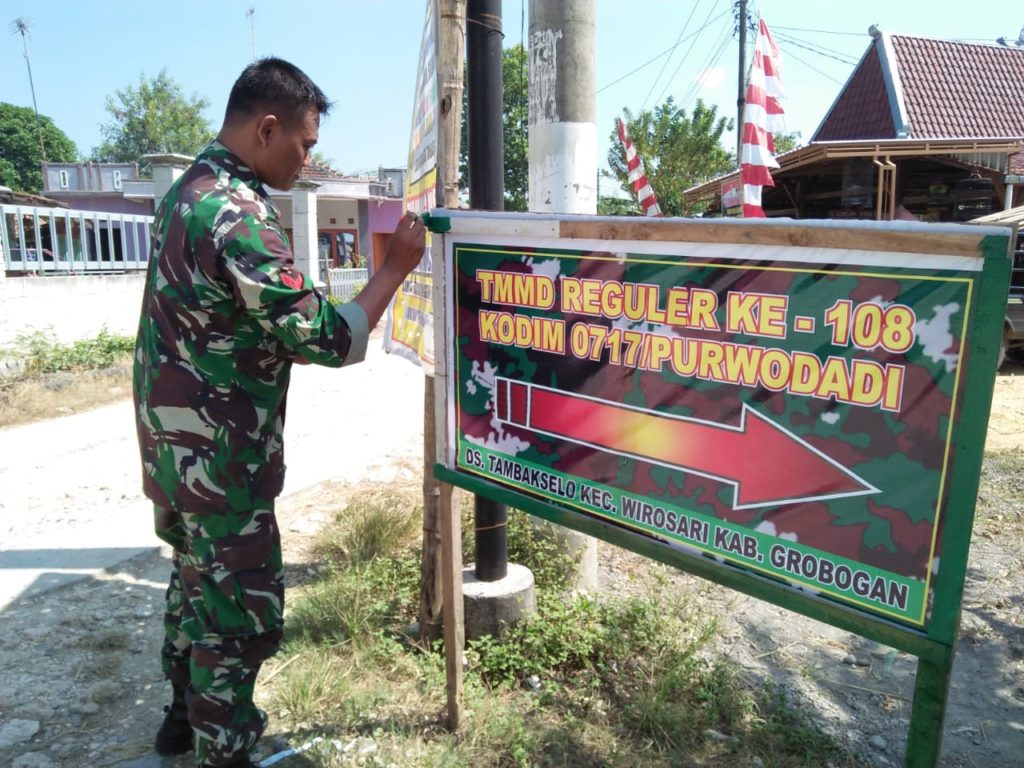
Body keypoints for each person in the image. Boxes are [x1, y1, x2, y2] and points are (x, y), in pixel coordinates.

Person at [132, 57, 426, 768]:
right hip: (220, 458)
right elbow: (326, 336)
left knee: (195, 586)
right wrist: (394, 268)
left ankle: (181, 722)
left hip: (173, 452)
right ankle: (225, 750)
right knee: (239, 616)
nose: (308, 159)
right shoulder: (236, 214)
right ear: (267, 128)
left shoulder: (187, 192)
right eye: (305, 143)